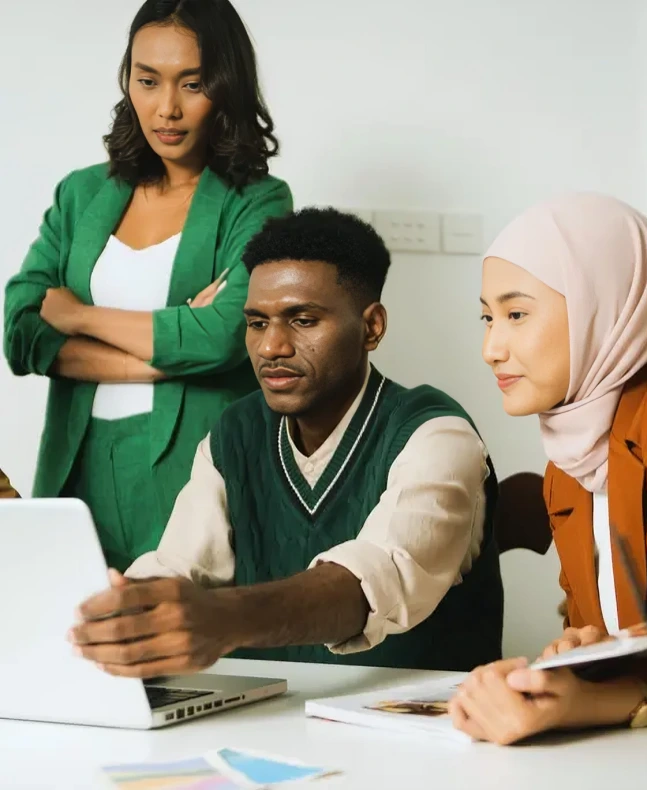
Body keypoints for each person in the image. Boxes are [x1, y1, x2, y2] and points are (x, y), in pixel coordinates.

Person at [67, 208, 504, 676]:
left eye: (303, 320)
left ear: (372, 326)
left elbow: (374, 579)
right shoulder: (234, 433)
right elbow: (178, 566)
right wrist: (120, 615)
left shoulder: (436, 433)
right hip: (266, 727)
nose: (272, 346)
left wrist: (222, 618)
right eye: (257, 323)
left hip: (421, 730)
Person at [4, 0, 292, 572]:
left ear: (226, 86)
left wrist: (78, 316)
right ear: (127, 81)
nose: (167, 108)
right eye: (148, 80)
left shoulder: (258, 200)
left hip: (195, 467)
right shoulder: (82, 193)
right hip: (77, 460)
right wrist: (161, 357)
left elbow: (223, 336)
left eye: (193, 83)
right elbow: (20, 331)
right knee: (75, 637)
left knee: (191, 642)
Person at [450, 193, 647, 744]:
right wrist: (575, 664)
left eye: (516, 314)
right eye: (487, 318)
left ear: (605, 304)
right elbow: (622, 643)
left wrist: (612, 697)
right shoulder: (569, 462)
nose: (491, 348)